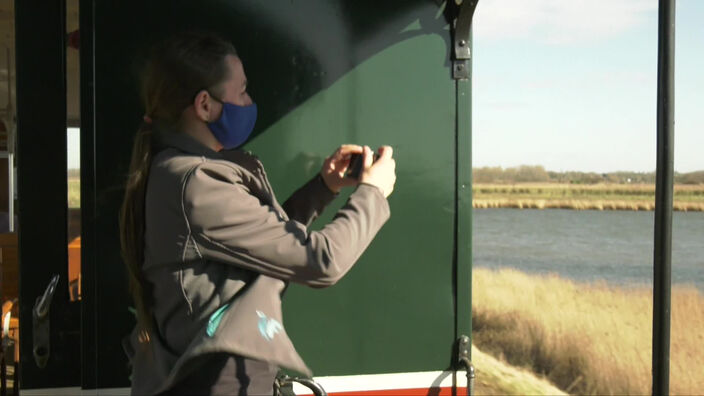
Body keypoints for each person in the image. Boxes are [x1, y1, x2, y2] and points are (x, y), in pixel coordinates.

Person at [120, 31, 396, 396]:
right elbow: (322, 261)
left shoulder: (178, 171)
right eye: (242, 91)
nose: (250, 101)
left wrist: (323, 187)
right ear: (205, 105)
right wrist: (373, 193)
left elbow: (266, 242)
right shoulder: (196, 182)